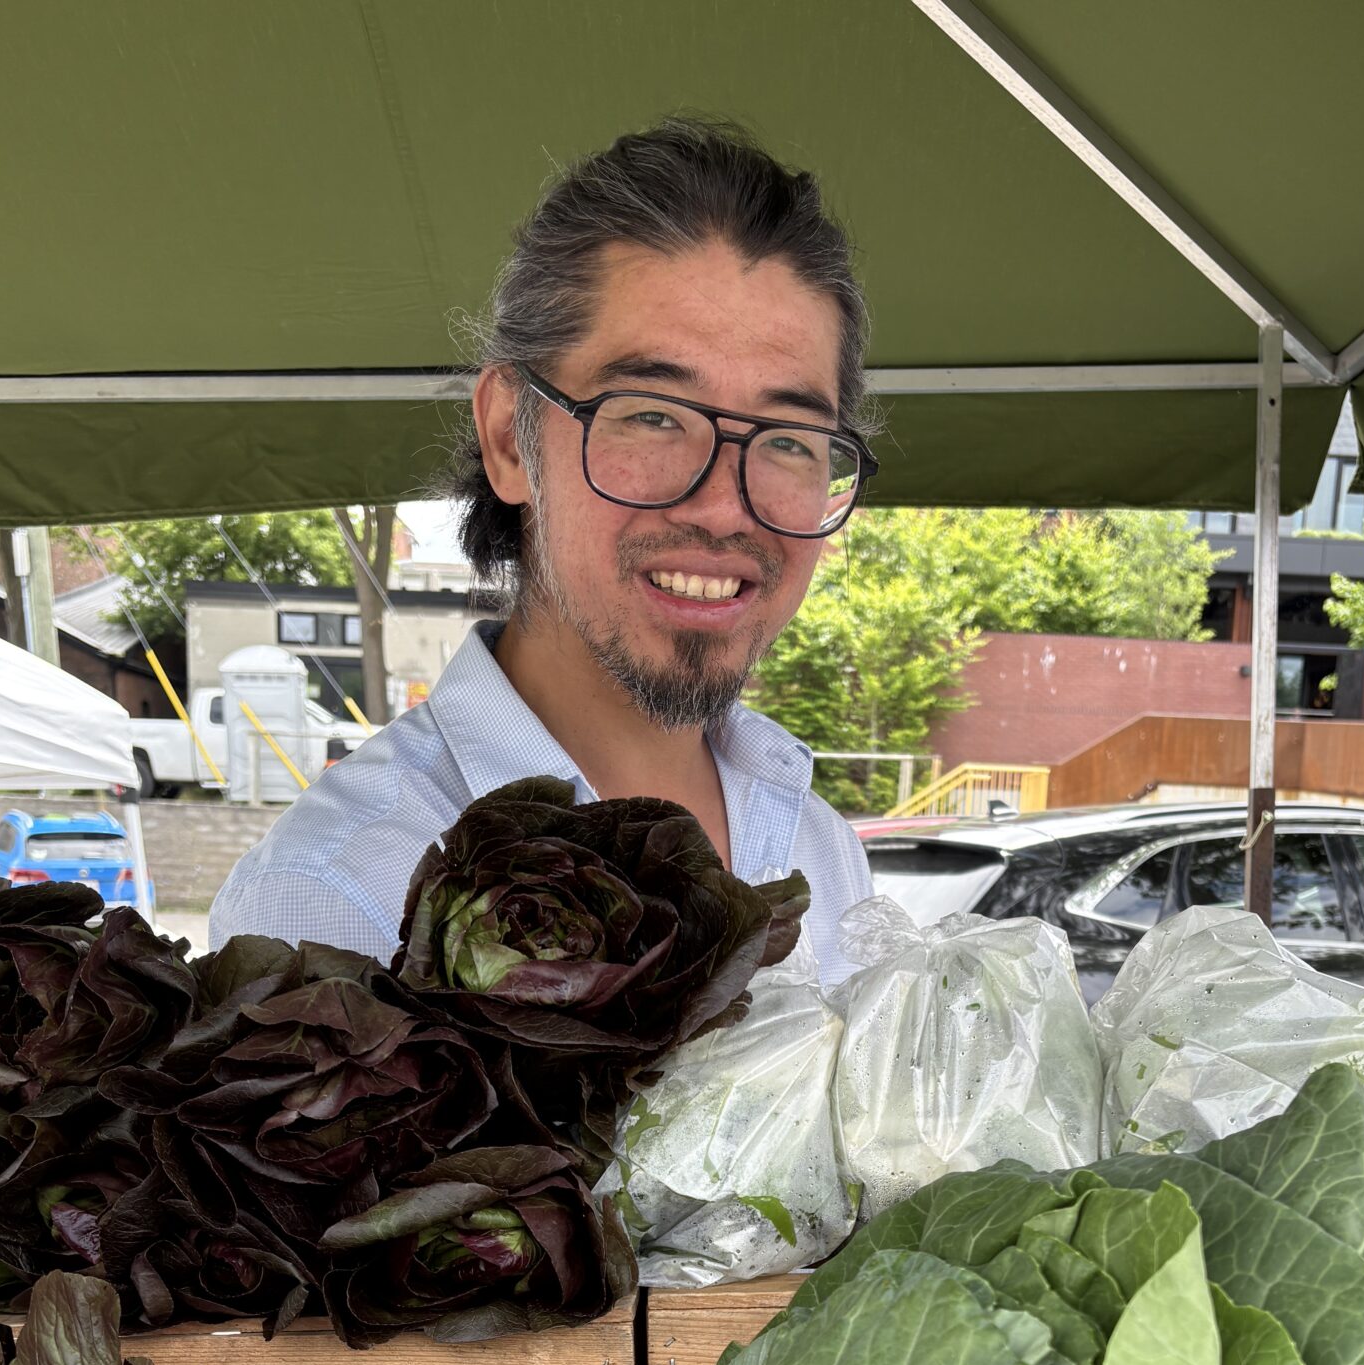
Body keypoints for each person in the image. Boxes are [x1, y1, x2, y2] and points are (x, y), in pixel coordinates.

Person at [209, 120, 877, 979]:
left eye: (787, 437)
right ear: (509, 440)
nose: (723, 508)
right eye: (651, 414)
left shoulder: (820, 849)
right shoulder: (334, 902)